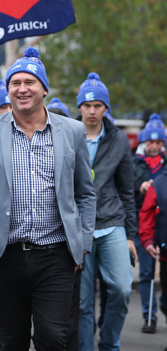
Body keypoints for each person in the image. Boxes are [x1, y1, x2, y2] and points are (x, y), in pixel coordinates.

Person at [0, 47, 96, 350]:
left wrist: (83, 243)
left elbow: (85, 192)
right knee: (11, 339)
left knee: (52, 337)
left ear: (44, 89)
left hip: (56, 255)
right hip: (4, 255)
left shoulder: (71, 131)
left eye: (30, 82)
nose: (22, 89)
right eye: (15, 83)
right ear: (7, 90)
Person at [74, 72, 137, 351]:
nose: (91, 111)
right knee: (82, 302)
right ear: (79, 107)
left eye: (97, 105)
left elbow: (128, 191)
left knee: (122, 289)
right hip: (77, 227)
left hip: (112, 223)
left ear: (105, 108)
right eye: (86, 105)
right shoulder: (67, 133)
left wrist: (131, 236)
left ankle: (109, 343)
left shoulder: (119, 139)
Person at [134, 114, 167, 332]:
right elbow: (126, 189)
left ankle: (163, 303)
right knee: (146, 273)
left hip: (162, 224)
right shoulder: (134, 164)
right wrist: (140, 188)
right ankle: (149, 315)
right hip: (143, 222)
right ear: (144, 143)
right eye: (150, 142)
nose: (154, 146)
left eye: (158, 142)